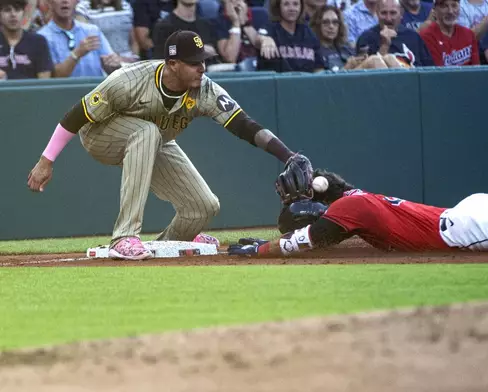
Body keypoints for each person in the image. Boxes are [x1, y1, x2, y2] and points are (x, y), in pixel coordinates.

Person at [27, 30, 313, 261]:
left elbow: (243, 124)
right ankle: (124, 237)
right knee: (147, 132)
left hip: (154, 139)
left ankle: (174, 241)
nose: (202, 68)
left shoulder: (205, 88)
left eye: (203, 61)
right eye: (194, 62)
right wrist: (46, 160)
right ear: (172, 64)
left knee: (203, 207)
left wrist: (288, 155)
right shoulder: (129, 80)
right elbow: (76, 115)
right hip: (99, 136)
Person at [227, 135, 488, 257]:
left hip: (461, 229)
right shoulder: (353, 200)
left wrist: (255, 248)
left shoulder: (347, 210)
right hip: (464, 214)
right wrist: (315, 180)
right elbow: (331, 186)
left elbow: (299, 243)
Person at [37, 0, 121, 77]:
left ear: (77, 1)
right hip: (64, 93)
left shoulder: (92, 31)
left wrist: (113, 65)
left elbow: (112, 68)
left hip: (96, 91)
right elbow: (55, 76)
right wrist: (76, 54)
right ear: (49, 3)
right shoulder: (42, 37)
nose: (65, 1)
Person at [309, 5, 391, 70]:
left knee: (389, 58)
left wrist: (360, 60)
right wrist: (348, 67)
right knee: (374, 61)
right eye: (325, 22)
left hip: (355, 82)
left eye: (335, 22)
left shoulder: (345, 47)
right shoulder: (314, 51)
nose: (331, 26)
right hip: (334, 85)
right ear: (317, 25)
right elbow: (323, 81)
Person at [355, 0, 434, 67]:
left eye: (393, 13)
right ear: (377, 13)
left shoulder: (413, 37)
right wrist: (384, 45)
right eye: (384, 13)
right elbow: (364, 75)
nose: (388, 18)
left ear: (401, 14)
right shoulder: (366, 38)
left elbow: (429, 69)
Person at [257, 0, 325, 72]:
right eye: (286, 4)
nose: (291, 8)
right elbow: (257, 40)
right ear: (279, 7)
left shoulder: (308, 32)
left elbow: (319, 68)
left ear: (301, 7)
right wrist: (264, 39)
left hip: (306, 81)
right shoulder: (270, 28)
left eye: (295, 4)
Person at [0, 0, 53, 79]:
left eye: (17, 10)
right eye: (7, 10)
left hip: (32, 91)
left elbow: (44, 83)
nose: (13, 14)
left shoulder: (38, 42)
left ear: (24, 13)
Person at [419, 0, 479, 66]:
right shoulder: (426, 37)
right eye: (444, 6)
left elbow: (476, 69)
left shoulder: (468, 34)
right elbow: (437, 73)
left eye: (454, 5)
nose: (450, 11)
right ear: (435, 10)